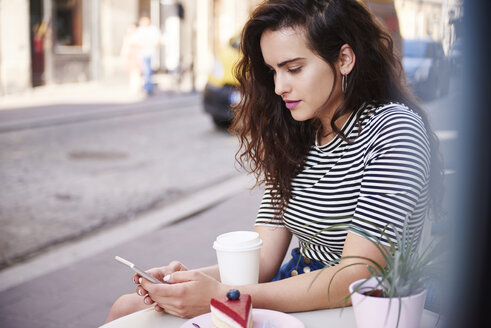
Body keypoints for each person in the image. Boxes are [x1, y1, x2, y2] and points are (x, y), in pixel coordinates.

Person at [105, 0, 443, 322]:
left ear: (344, 59)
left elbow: (359, 273)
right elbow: (263, 259)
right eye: (272, 71)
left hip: (361, 304)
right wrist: (187, 283)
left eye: (293, 68)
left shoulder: (394, 129)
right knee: (126, 307)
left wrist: (223, 295)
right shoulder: (295, 135)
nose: (280, 87)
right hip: (290, 286)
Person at [134, 15, 161, 95]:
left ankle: (148, 87)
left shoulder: (153, 29)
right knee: (144, 70)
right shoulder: (140, 30)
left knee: (148, 70)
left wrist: (149, 44)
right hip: (141, 53)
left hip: (150, 53)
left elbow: (158, 41)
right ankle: (146, 85)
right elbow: (136, 42)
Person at [120, 22, 141, 95]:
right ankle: (134, 87)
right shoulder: (127, 36)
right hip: (129, 56)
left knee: (136, 72)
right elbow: (125, 48)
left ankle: (135, 87)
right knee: (132, 72)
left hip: (136, 56)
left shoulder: (137, 36)